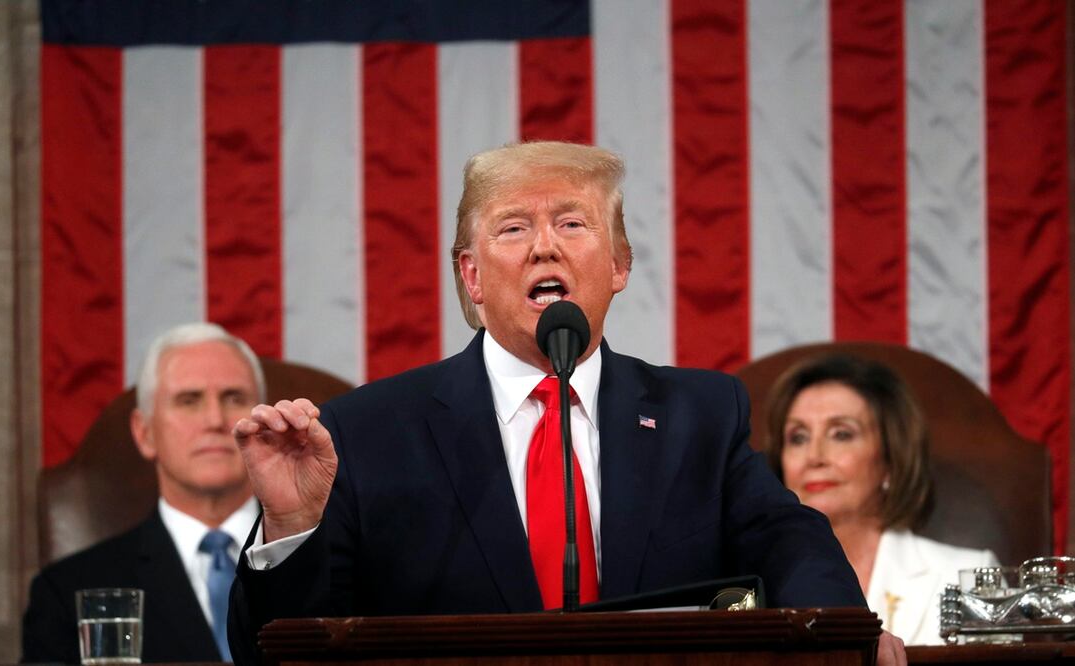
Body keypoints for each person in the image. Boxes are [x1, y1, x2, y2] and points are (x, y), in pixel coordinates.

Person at [231, 142, 905, 666]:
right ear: (471, 277)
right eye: (514, 228)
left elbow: (791, 543)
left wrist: (842, 637)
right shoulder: (369, 431)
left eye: (572, 222)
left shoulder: (699, 416)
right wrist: (292, 527)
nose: (544, 245)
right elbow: (277, 653)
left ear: (618, 265)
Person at [22, 322, 264, 663]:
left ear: (264, 423)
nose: (214, 419)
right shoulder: (68, 592)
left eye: (234, 397)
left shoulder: (337, 566)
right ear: (144, 432)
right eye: (188, 400)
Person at [764, 353, 999, 645]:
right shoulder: (752, 585)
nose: (814, 457)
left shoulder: (963, 576)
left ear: (890, 459)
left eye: (841, 434)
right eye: (798, 438)